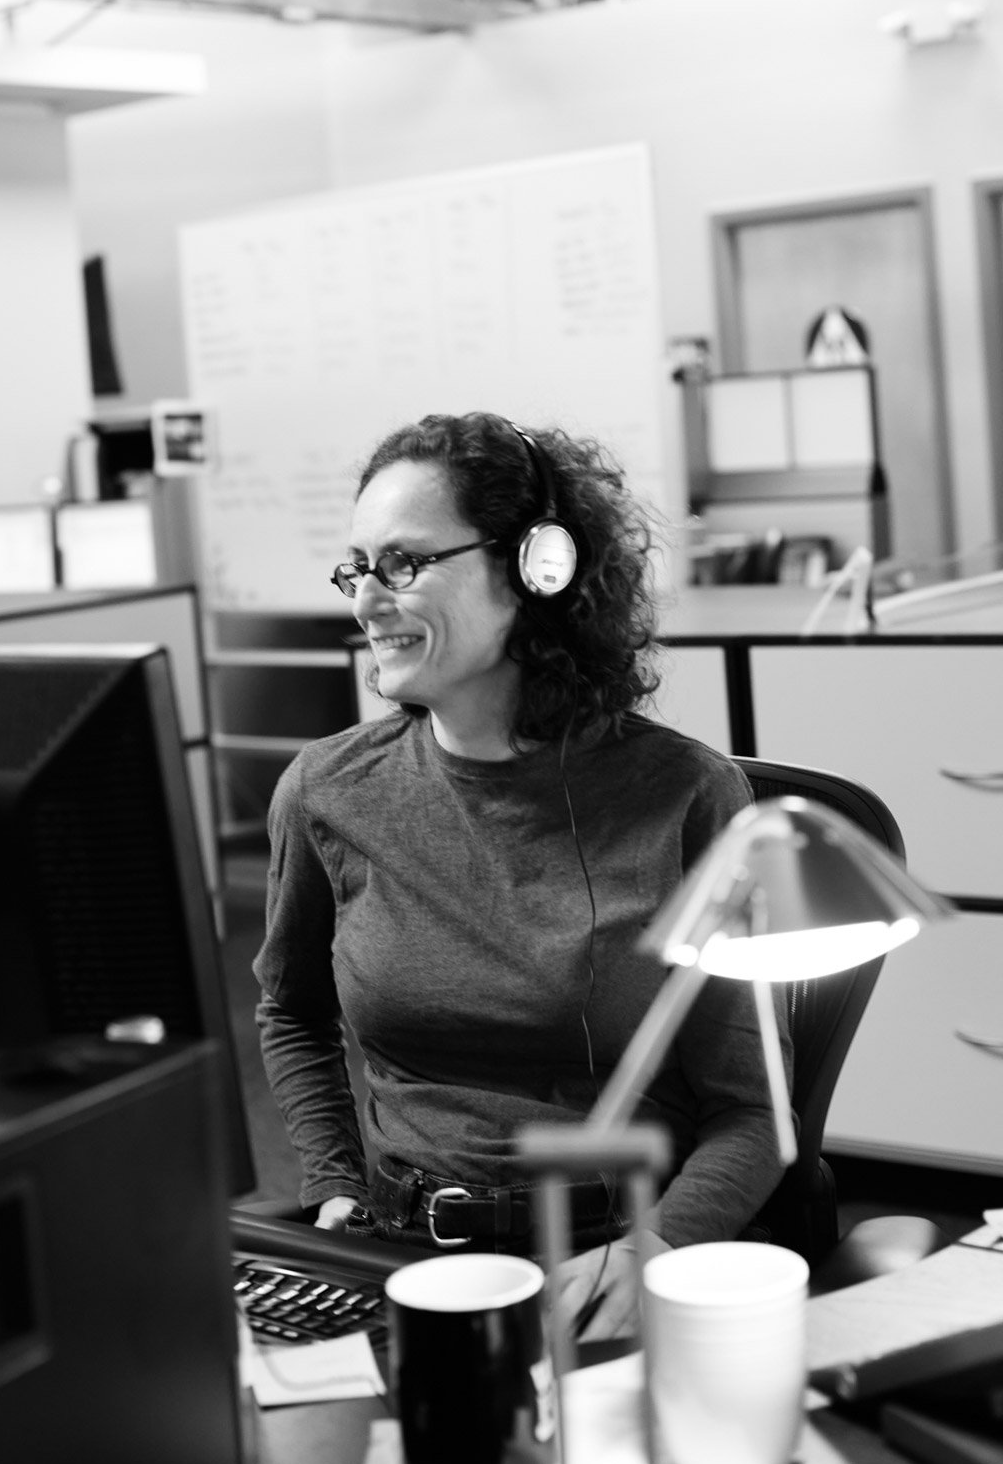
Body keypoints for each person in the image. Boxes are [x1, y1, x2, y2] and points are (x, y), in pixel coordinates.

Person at [254, 411, 790, 1338]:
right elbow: (290, 1009)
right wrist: (335, 1182)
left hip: (609, 1262)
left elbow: (753, 1109)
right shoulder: (326, 792)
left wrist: (656, 1249)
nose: (365, 603)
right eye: (357, 568)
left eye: (404, 565)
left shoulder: (688, 798)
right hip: (404, 1261)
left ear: (536, 570)